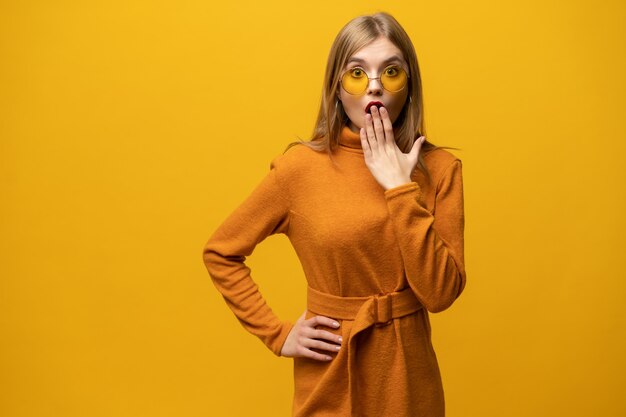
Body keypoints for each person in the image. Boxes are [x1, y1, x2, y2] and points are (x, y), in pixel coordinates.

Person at [202, 11, 466, 417]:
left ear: (409, 85)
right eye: (357, 73)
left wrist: (399, 187)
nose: (374, 87)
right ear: (336, 89)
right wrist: (278, 334)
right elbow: (221, 252)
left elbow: (441, 293)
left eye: (390, 71)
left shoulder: (441, 169)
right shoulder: (299, 170)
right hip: (330, 369)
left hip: (407, 379)